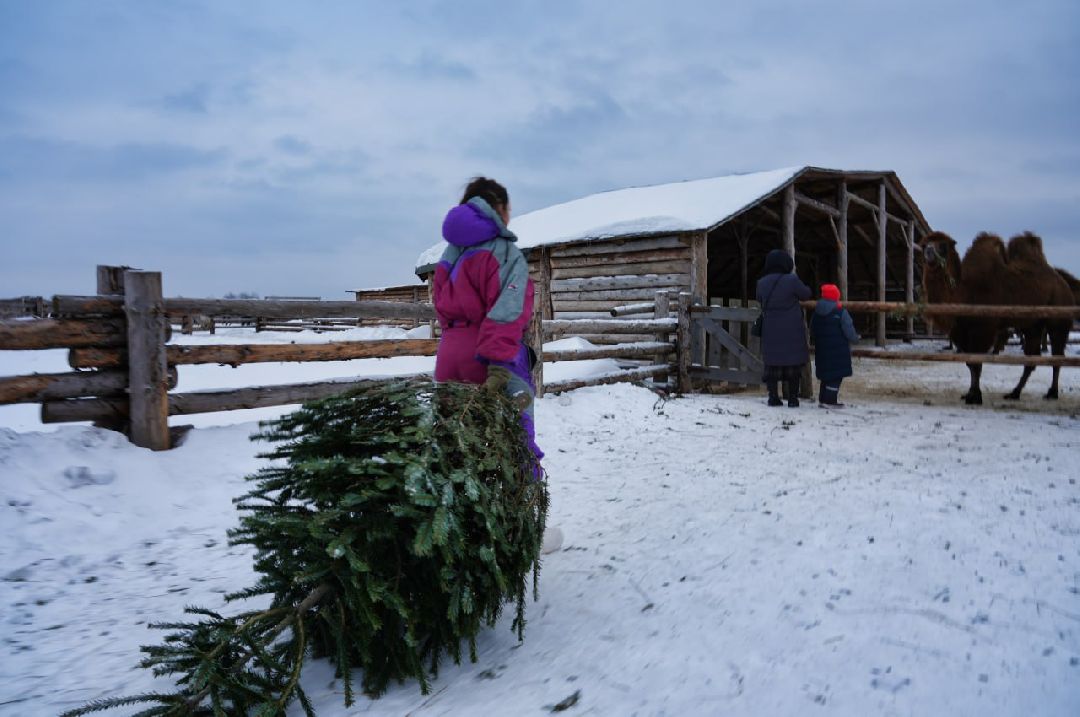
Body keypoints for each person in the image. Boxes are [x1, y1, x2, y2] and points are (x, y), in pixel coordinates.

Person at [432, 178, 561, 553]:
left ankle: (456, 533)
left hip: (449, 357)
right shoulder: (504, 254)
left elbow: (444, 308)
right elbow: (506, 312)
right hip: (490, 358)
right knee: (518, 441)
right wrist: (499, 366)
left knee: (457, 445)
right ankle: (527, 531)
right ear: (498, 208)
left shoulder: (450, 254)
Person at [756, 249, 811, 407]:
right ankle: (793, 398)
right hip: (791, 328)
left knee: (772, 363)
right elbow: (805, 294)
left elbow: (760, 298)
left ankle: (773, 396)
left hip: (771, 328)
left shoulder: (761, 282)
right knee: (793, 364)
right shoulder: (792, 280)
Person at [810, 283, 859, 407]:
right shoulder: (840, 312)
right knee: (836, 376)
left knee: (826, 375)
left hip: (822, 349)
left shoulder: (816, 312)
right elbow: (849, 330)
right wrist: (855, 339)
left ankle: (822, 398)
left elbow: (812, 329)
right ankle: (830, 400)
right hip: (838, 350)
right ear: (836, 296)